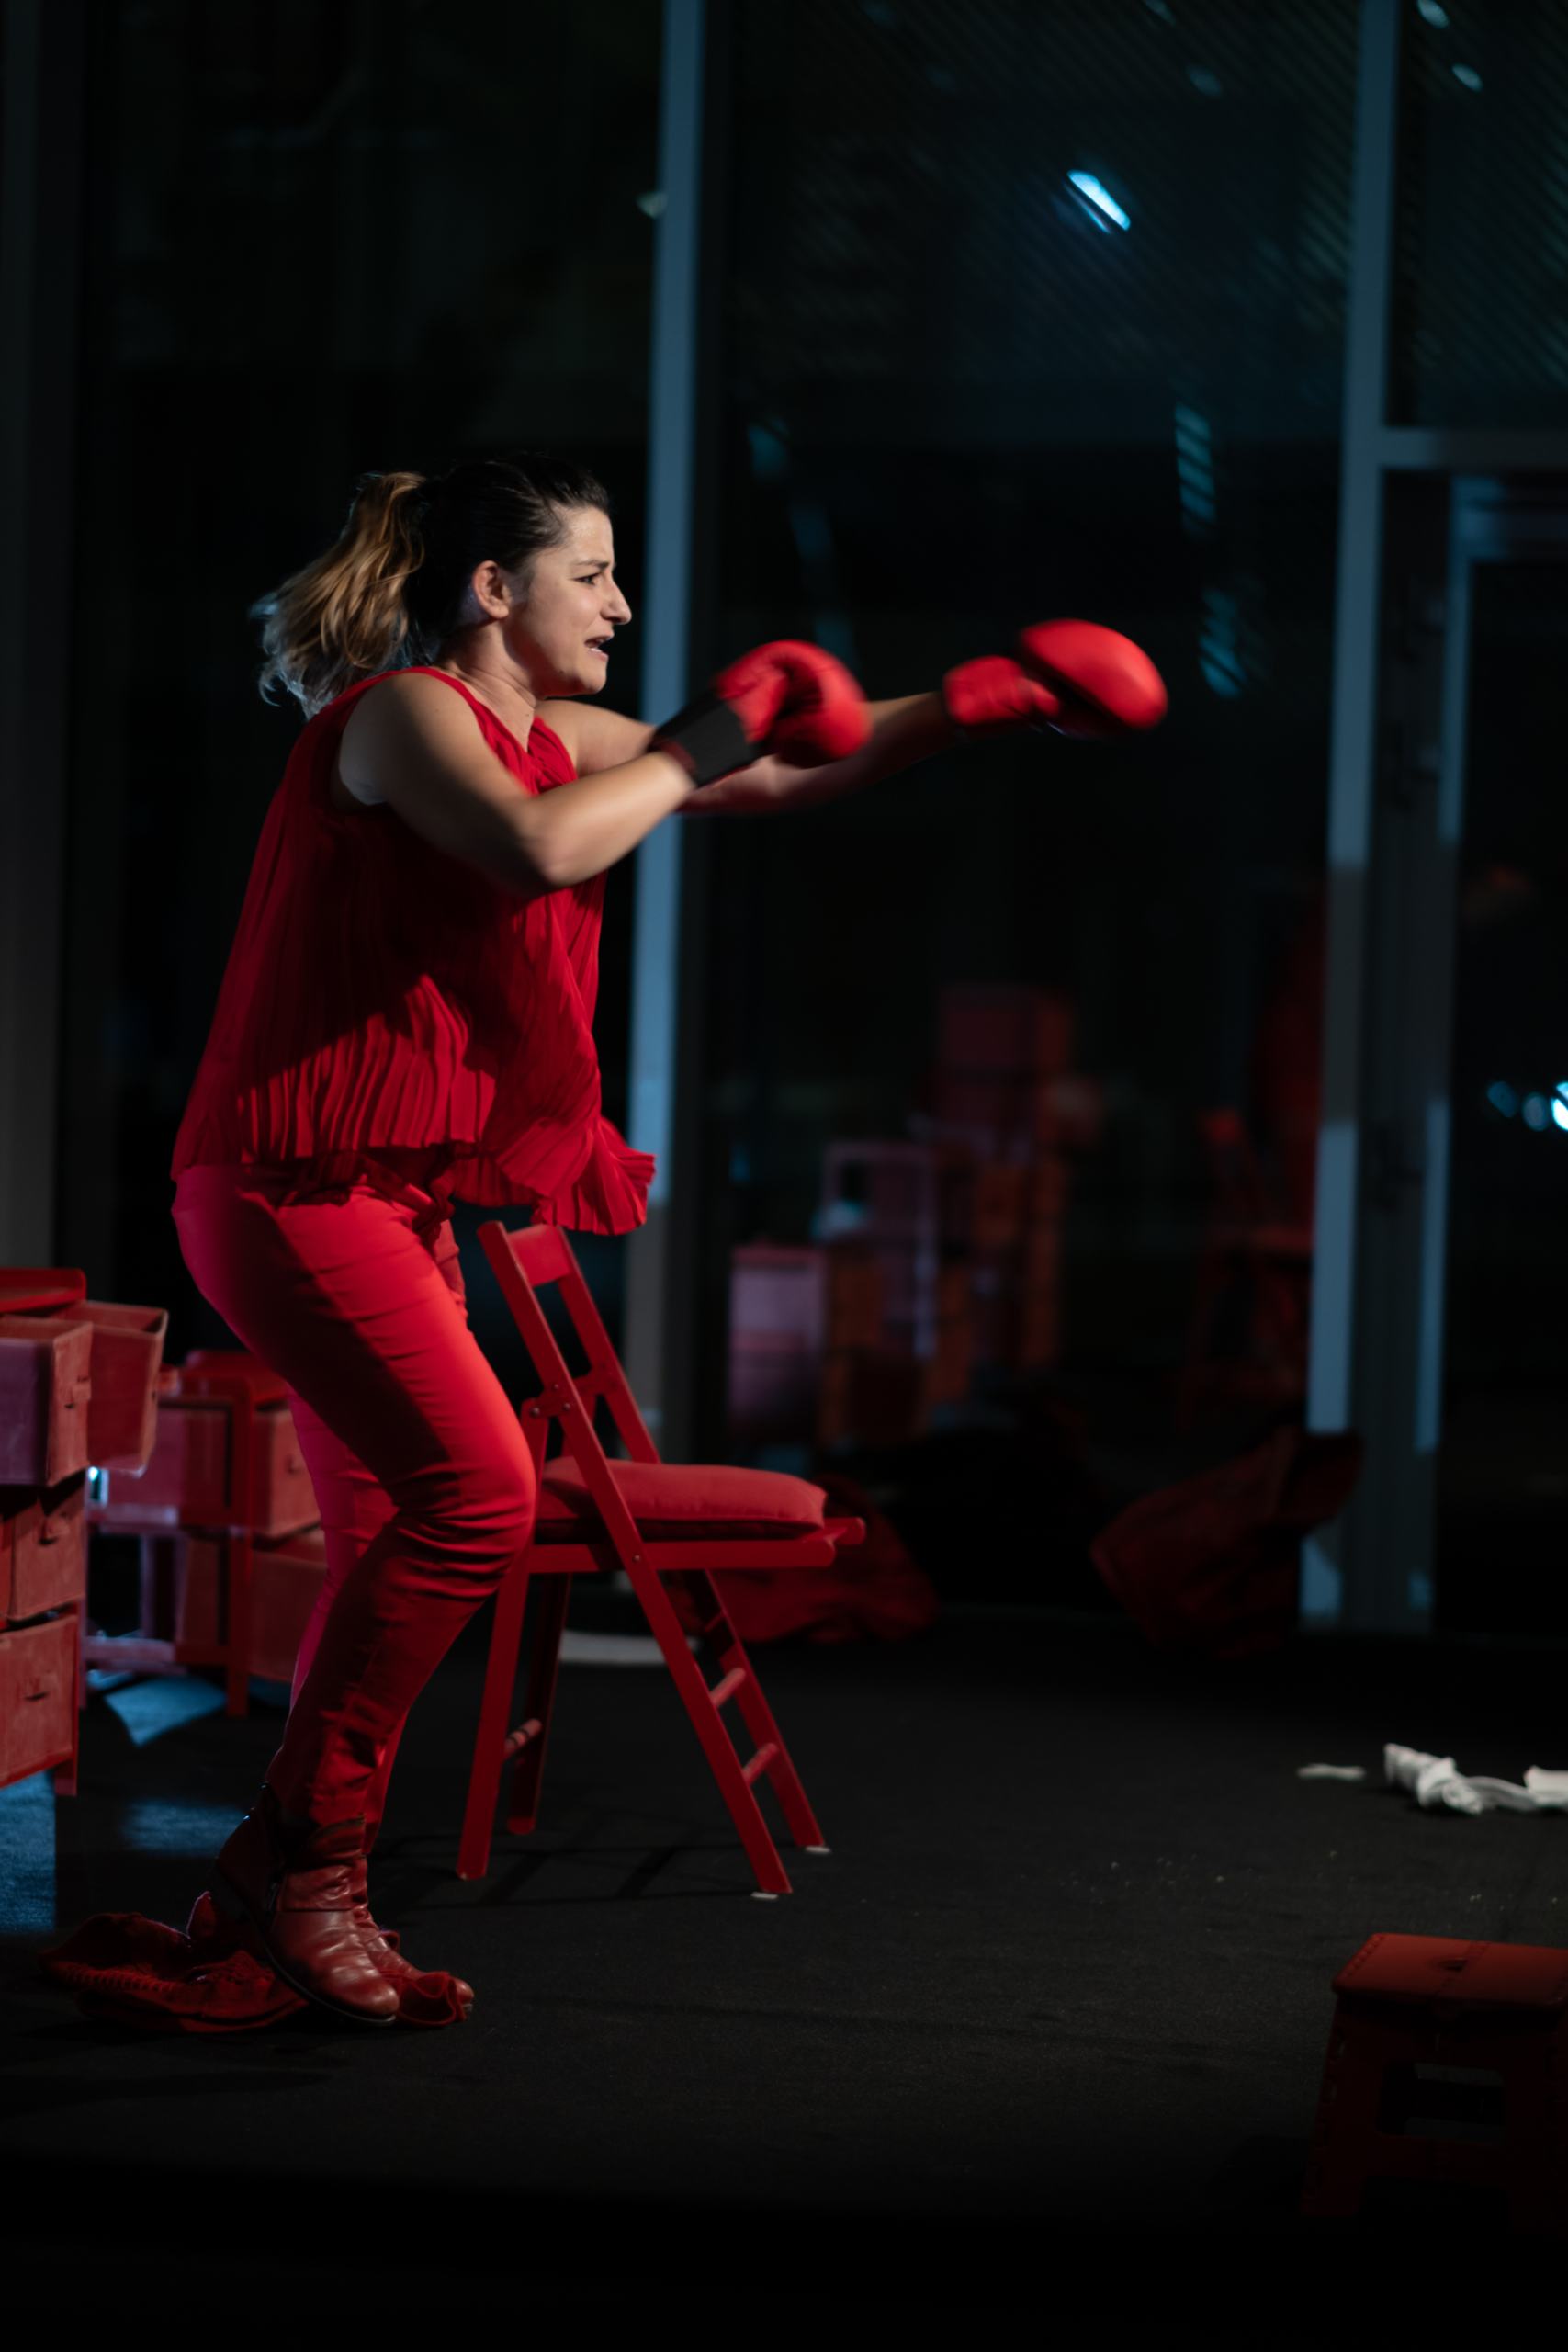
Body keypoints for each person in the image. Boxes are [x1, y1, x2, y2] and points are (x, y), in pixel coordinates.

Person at [170, 449, 1163, 2030]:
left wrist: (981, 704)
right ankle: (300, 1875)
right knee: (476, 1502)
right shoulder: (403, 715)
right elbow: (542, 848)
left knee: (394, 1546)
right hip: (292, 1192)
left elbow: (772, 777)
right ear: (491, 589)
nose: (622, 605)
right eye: (593, 575)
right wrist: (715, 723)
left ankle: (278, 1884)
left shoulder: (556, 735)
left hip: (392, 1202)